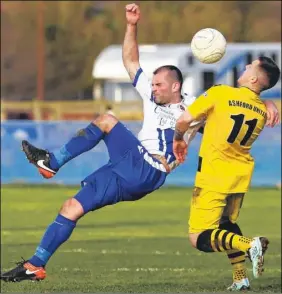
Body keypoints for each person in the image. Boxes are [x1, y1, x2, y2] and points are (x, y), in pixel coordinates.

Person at [1, 2, 279, 284]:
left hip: (147, 167)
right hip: (127, 167)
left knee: (107, 120)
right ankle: (35, 265)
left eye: (159, 84)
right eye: (153, 83)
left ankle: (52, 162)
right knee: (70, 207)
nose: (153, 87)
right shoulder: (152, 95)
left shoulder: (195, 107)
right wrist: (132, 26)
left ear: (175, 87)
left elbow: (233, 113)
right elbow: (131, 62)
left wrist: (263, 100)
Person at [173, 56, 280, 291]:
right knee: (226, 224)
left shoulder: (221, 93)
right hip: (239, 177)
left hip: (213, 175)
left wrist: (179, 138)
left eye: (249, 66)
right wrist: (269, 102)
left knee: (198, 238)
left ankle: (250, 243)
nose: (244, 68)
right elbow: (221, 126)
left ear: (252, 78)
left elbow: (184, 120)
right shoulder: (262, 111)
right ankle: (240, 277)